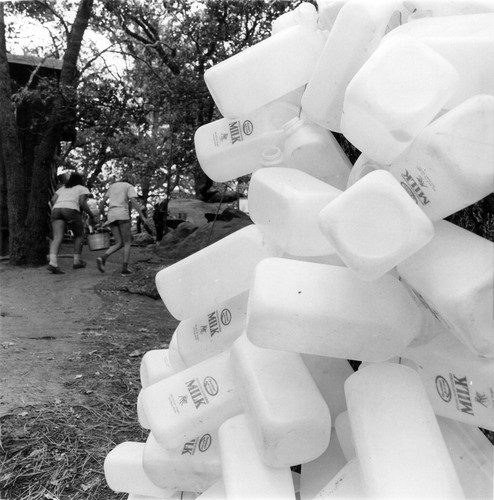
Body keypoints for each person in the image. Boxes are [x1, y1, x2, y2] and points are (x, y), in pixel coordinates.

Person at [96, 174, 149, 276]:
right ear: (131, 181)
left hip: (111, 215)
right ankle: (124, 268)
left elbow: (102, 202)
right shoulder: (129, 187)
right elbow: (133, 201)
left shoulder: (112, 186)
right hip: (122, 214)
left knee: (119, 243)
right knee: (128, 241)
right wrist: (142, 216)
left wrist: (101, 215)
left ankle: (102, 258)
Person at [48, 172, 95, 274]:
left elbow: (52, 200)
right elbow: (82, 203)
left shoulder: (62, 188)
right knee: (79, 235)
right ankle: (76, 261)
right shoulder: (82, 188)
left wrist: (60, 205)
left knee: (57, 237)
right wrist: (91, 215)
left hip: (56, 210)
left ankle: (53, 262)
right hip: (71, 209)